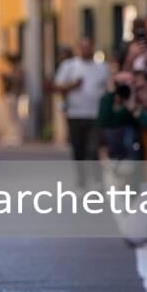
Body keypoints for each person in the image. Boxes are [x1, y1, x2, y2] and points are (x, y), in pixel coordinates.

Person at [53, 38, 109, 189]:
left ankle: (97, 180)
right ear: (78, 48)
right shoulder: (69, 66)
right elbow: (57, 86)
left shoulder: (101, 67)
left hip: (95, 114)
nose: (85, 50)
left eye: (88, 47)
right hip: (75, 114)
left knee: (93, 149)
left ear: (92, 47)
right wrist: (72, 85)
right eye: (82, 47)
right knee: (79, 149)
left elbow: (107, 87)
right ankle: (82, 181)